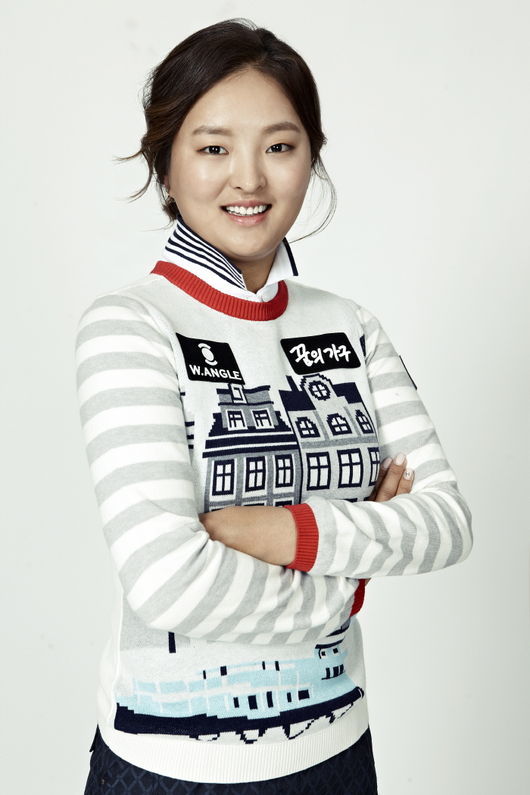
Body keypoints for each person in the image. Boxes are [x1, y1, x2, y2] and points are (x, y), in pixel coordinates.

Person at [75, 18, 473, 794]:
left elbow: (445, 522)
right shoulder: (131, 324)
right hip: (174, 764)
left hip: (340, 748)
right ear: (166, 164)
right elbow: (170, 583)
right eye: (213, 148)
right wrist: (351, 574)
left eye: (280, 146)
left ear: (311, 158)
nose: (249, 178)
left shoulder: (350, 325)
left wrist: (277, 530)